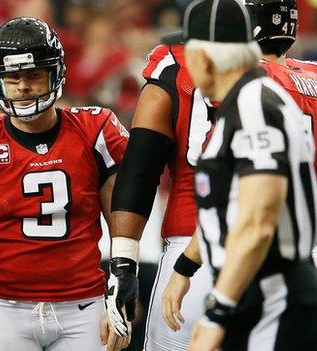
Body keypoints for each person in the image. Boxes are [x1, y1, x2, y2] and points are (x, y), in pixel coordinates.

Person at [0, 16, 130, 351]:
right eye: (13, 77)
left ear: (55, 73)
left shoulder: (94, 131)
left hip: (82, 304)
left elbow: (121, 224)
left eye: (34, 75)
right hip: (2, 307)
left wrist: (123, 280)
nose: (23, 86)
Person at [164, 0, 317, 350]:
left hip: (274, 297)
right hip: (257, 293)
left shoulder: (254, 106)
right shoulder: (242, 103)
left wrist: (219, 311)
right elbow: (231, 206)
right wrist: (185, 268)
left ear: (205, 57)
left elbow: (258, 219)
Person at [102, 12, 216, 351]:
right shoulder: (306, 79)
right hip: (296, 255)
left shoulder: (177, 67)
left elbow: (139, 170)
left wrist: (122, 265)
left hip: (194, 250)